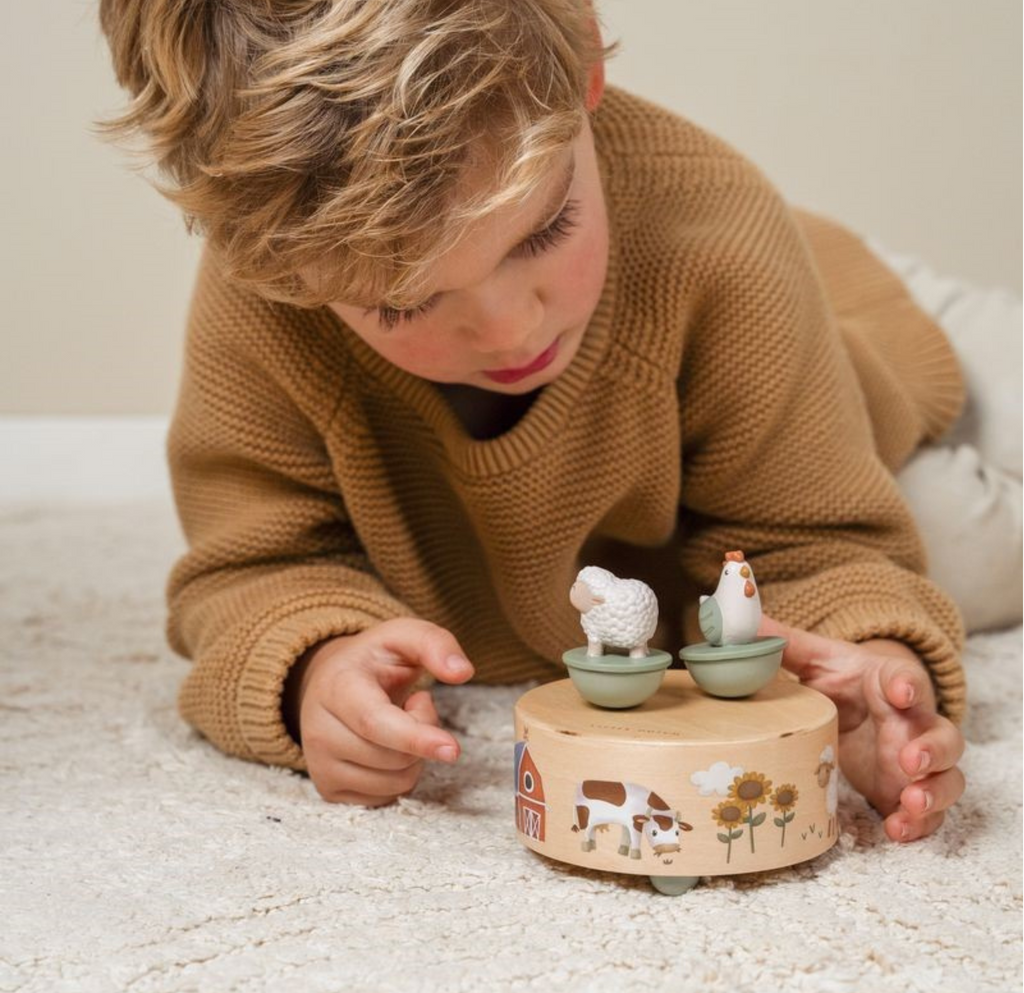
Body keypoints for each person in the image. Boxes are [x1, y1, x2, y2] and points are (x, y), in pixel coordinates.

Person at [99, 0, 970, 843]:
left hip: (858, 348)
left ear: (586, 66)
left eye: (545, 230)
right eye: (404, 303)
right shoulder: (275, 284)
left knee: (973, 551)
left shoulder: (717, 241)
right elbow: (255, 566)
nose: (512, 329)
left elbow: (820, 543)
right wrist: (315, 664)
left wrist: (874, 668)